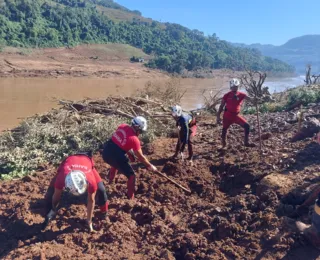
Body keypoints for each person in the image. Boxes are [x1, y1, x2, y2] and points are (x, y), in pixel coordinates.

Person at [43, 152, 109, 232]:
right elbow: (56, 195)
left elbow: (91, 200)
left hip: (86, 160)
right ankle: (48, 207)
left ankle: (104, 212)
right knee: (53, 187)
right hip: (69, 160)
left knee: (101, 190)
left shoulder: (90, 181)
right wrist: (54, 209)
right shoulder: (62, 177)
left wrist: (89, 221)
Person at [102, 116, 157, 199]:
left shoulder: (122, 126)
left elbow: (120, 141)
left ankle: (110, 182)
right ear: (137, 128)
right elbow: (141, 157)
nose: (140, 133)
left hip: (106, 152)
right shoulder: (134, 140)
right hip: (116, 156)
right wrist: (149, 165)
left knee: (115, 163)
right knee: (132, 176)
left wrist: (128, 151)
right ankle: (130, 198)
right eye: (140, 131)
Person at [216, 78, 255, 148]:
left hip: (236, 116)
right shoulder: (226, 95)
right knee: (224, 129)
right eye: (233, 87)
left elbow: (250, 99)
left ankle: (246, 142)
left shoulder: (241, 94)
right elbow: (221, 106)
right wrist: (218, 116)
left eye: (236, 87)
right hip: (227, 116)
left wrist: (255, 100)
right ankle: (224, 145)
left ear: (238, 87)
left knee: (247, 126)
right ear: (231, 87)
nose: (235, 88)